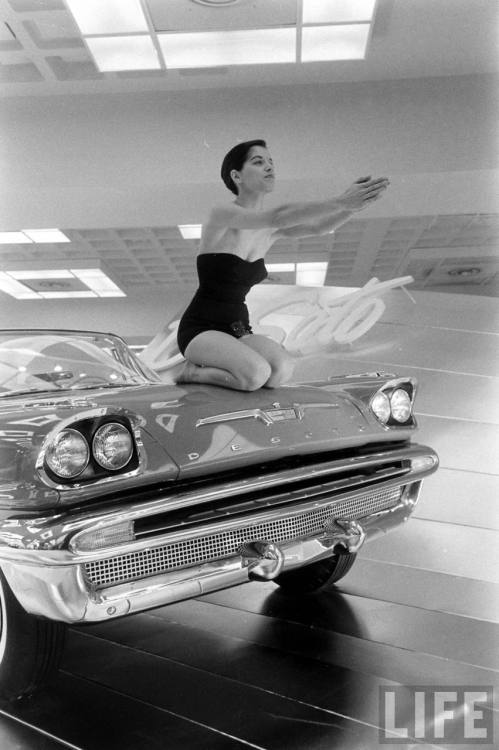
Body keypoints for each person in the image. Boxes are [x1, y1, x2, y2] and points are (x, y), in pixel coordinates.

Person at [175, 139, 389, 391]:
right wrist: (341, 201)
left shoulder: (269, 231)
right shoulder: (221, 214)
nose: (269, 167)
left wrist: (354, 207)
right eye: (258, 162)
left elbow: (320, 227)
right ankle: (193, 373)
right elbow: (276, 216)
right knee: (255, 374)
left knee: (281, 370)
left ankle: (228, 371)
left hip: (237, 327)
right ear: (236, 175)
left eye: (270, 162)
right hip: (201, 327)